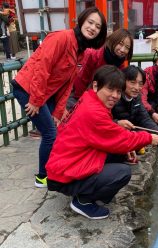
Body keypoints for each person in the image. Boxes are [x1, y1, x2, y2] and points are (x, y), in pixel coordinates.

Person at [46, 65, 158, 220]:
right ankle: (82, 202)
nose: (115, 95)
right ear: (96, 85)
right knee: (122, 173)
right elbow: (121, 138)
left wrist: (130, 143)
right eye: (111, 89)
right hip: (64, 175)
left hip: (64, 164)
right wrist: (150, 138)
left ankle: (87, 190)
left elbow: (112, 135)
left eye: (118, 91)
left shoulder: (89, 98)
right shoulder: (94, 111)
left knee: (120, 154)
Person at [11, 7, 107, 188]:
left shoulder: (81, 50)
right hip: (27, 88)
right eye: (90, 22)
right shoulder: (62, 37)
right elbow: (42, 68)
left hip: (44, 92)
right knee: (49, 133)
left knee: (57, 126)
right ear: (81, 21)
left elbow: (67, 84)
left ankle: (54, 168)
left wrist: (58, 110)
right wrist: (36, 100)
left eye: (98, 26)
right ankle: (42, 177)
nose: (93, 28)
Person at [112, 65, 158, 157]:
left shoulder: (136, 98)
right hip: (112, 135)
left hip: (126, 132)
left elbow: (144, 118)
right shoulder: (113, 98)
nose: (137, 87)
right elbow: (100, 122)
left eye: (140, 84)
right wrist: (117, 123)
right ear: (123, 81)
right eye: (133, 82)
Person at [66, 28, 133, 110]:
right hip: (79, 96)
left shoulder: (121, 64)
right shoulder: (94, 55)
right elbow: (81, 81)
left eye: (127, 47)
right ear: (113, 41)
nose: (123, 50)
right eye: (120, 44)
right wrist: (81, 102)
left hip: (102, 100)